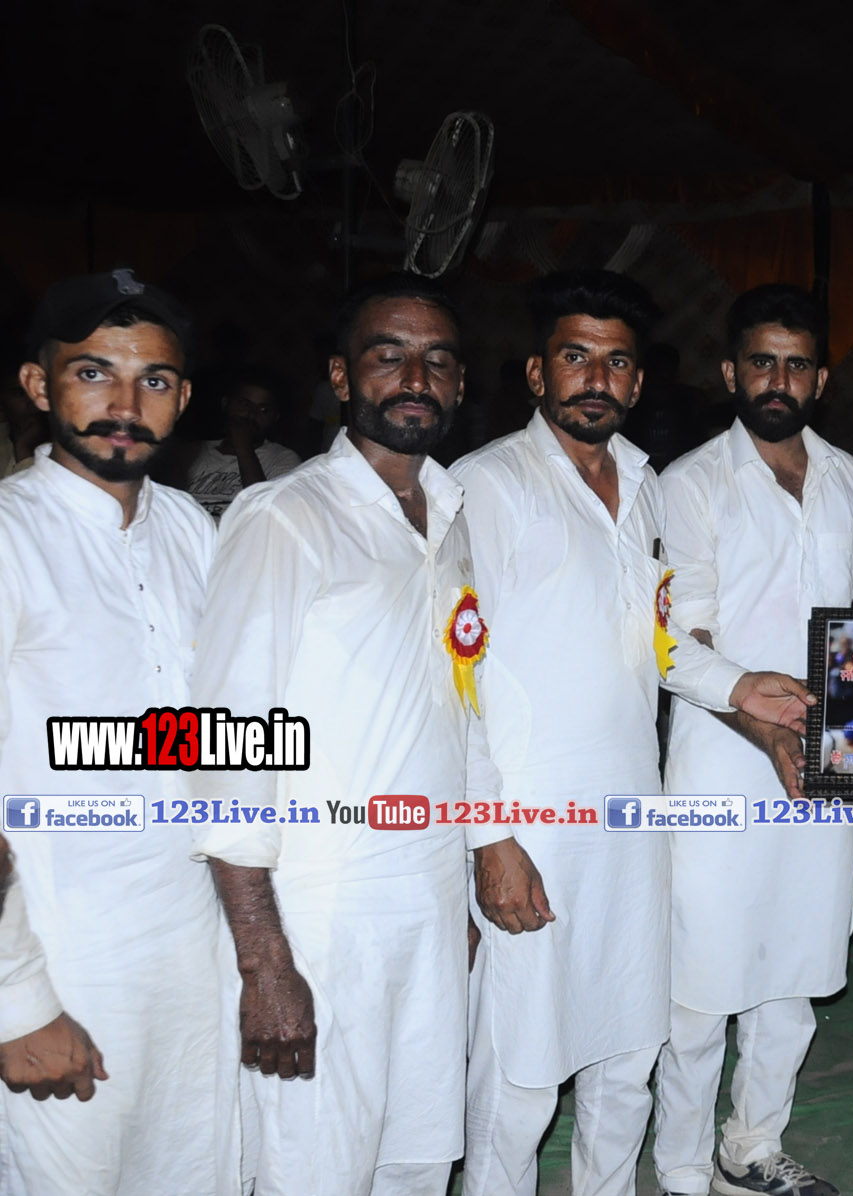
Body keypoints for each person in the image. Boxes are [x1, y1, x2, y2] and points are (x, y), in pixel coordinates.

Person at [452, 269, 813, 1196]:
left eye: (617, 362)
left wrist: (743, 686)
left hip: (629, 819)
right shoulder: (483, 486)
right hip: (532, 821)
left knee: (626, 1058)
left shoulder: (645, 486)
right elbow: (452, 678)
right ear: (537, 372)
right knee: (520, 1075)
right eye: (575, 357)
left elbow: (656, 642)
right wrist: (489, 836)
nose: (596, 379)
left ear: (639, 381)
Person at [190, 273, 494, 1195]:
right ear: (339, 375)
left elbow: (459, 706)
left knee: (416, 1157)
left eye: (437, 360)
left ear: (461, 382)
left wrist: (459, 887)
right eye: (388, 356)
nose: (415, 378)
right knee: (314, 1166)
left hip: (428, 896)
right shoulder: (285, 517)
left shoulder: (451, 515)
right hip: (321, 906)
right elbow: (225, 740)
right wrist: (263, 959)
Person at [654, 284, 853, 1196]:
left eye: (797, 365)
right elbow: (676, 637)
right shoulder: (689, 483)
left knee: (795, 966)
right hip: (722, 758)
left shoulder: (848, 479)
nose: (779, 379)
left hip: (829, 761)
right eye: (762, 361)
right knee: (701, 979)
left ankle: (749, 1150)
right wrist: (760, 727)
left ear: (821, 379)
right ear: (731, 371)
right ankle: (681, 1168)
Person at [0, 269, 236, 1193]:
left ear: (184, 398)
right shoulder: (11, 537)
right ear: (38, 385)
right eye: (94, 373)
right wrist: (17, 1001)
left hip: (192, 944)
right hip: (66, 956)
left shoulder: (189, 529)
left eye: (155, 381)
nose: (125, 406)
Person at [182, 366, 304, 518]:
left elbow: (265, 514)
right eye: (244, 404)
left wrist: (243, 446)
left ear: (275, 418)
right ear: (226, 404)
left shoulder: (283, 458)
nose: (251, 415)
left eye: (263, 410)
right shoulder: (193, 452)